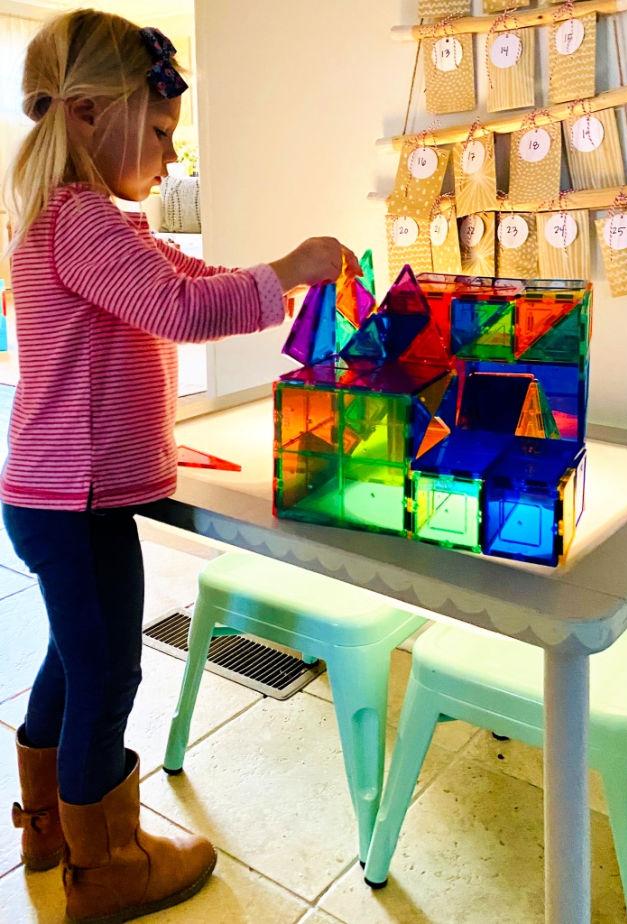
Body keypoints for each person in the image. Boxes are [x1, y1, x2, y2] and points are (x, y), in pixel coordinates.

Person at [1, 9, 360, 923]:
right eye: (158, 132)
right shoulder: (80, 224)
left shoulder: (83, 223)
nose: (168, 157)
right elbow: (181, 308)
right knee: (109, 671)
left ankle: (48, 827)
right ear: (87, 115)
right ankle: (108, 866)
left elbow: (189, 278)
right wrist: (287, 268)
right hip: (76, 502)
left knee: (72, 660)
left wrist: (268, 279)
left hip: (57, 498)